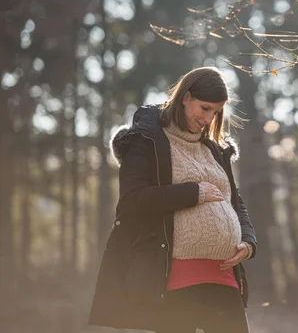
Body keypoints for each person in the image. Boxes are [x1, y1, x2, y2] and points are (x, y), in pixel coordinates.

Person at [89, 67, 257, 333]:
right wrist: (194, 193)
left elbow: (236, 202)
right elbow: (132, 200)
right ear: (185, 97)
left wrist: (248, 241)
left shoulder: (215, 148)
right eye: (204, 108)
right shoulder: (147, 140)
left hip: (224, 278)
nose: (209, 118)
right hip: (175, 279)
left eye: (215, 112)